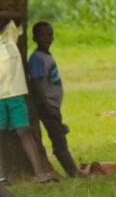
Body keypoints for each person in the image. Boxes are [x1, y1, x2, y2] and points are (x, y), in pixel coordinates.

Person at [0, 12, 54, 183]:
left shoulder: (9, 33)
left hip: (15, 93)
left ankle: (39, 172)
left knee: (24, 130)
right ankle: (2, 176)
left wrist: (4, 16)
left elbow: (18, 16)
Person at [28, 22, 82, 177]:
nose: (47, 38)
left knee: (59, 131)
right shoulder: (37, 58)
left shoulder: (46, 55)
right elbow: (36, 84)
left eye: (49, 34)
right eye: (43, 35)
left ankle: (73, 170)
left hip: (52, 104)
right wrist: (48, 107)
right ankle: (73, 172)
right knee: (59, 141)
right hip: (46, 105)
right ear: (34, 38)